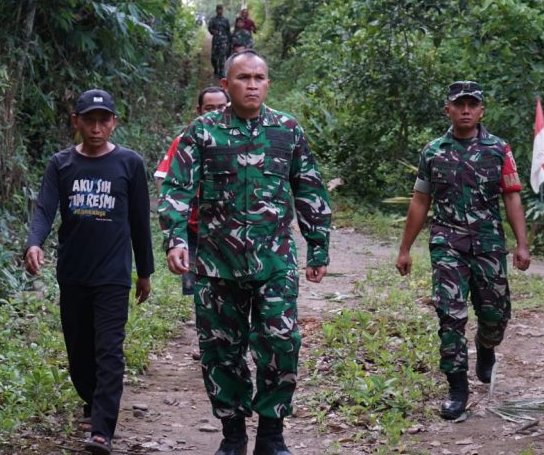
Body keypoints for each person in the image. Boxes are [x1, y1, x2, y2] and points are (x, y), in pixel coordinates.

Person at [158, 50, 332, 455]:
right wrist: (177, 239)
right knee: (221, 352)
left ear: (268, 83)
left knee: (281, 342)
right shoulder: (202, 132)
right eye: (243, 78)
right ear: (226, 85)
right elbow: (177, 189)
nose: (251, 85)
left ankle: (271, 435)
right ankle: (233, 435)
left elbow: (308, 188)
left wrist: (318, 246)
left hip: (275, 263)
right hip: (217, 265)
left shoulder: (287, 130)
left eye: (259, 78)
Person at [24, 88, 154, 455]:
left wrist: (144, 271)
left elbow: (139, 221)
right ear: (76, 122)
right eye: (89, 120)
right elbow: (45, 208)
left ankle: (102, 429)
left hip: (113, 274)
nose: (96, 128)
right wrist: (34, 243)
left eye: (103, 120)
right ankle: (90, 399)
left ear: (114, 123)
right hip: (73, 273)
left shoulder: (129, 164)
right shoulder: (61, 164)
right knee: (79, 350)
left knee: (109, 349)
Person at [395, 80, 530, 421]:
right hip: (448, 243)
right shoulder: (433, 152)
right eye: (460, 104)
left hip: (488, 243)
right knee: (450, 316)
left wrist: (522, 243)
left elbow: (512, 196)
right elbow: (420, 200)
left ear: (482, 110)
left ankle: (486, 346)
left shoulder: (499, 150)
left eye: (472, 104)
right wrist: (405, 248)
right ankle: (457, 389)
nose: (466, 110)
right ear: (448, 110)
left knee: (495, 315)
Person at [154, 86, 230, 297]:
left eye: (221, 107)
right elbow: (162, 178)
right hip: (193, 228)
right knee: (198, 288)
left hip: (228, 230)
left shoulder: (241, 138)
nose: (215, 112)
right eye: (209, 108)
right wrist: (178, 211)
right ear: (199, 110)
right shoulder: (185, 139)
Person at [208, 5, 232, 79]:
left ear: (222, 10)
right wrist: (213, 31)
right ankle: (215, 68)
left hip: (224, 41)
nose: (220, 11)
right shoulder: (213, 20)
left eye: (221, 9)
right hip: (216, 41)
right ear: (216, 10)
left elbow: (228, 31)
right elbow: (209, 28)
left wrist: (229, 41)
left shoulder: (226, 20)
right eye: (218, 10)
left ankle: (221, 72)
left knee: (222, 57)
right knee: (214, 57)